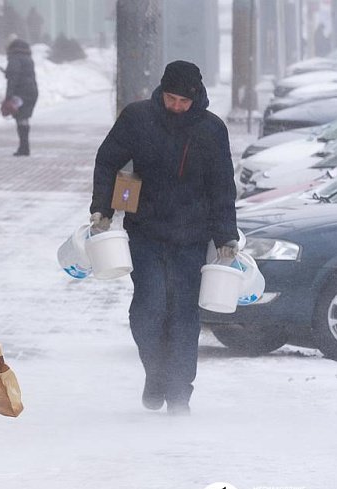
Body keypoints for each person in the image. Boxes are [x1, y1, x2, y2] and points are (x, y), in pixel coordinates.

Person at [90, 60, 238, 416]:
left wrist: (226, 236)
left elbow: (222, 186)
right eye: (170, 98)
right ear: (162, 91)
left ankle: (179, 394)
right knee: (148, 309)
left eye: (182, 101)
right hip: (146, 232)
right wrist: (102, 210)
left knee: (184, 315)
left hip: (192, 235)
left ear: (195, 97)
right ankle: (155, 374)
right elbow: (108, 160)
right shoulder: (138, 118)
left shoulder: (211, 129)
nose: (176, 106)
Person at [3, 36, 38, 156]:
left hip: (20, 93)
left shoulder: (14, 58)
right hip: (31, 91)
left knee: (20, 119)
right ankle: (25, 146)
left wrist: (8, 97)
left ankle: (24, 148)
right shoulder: (28, 58)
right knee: (24, 118)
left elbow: (13, 78)